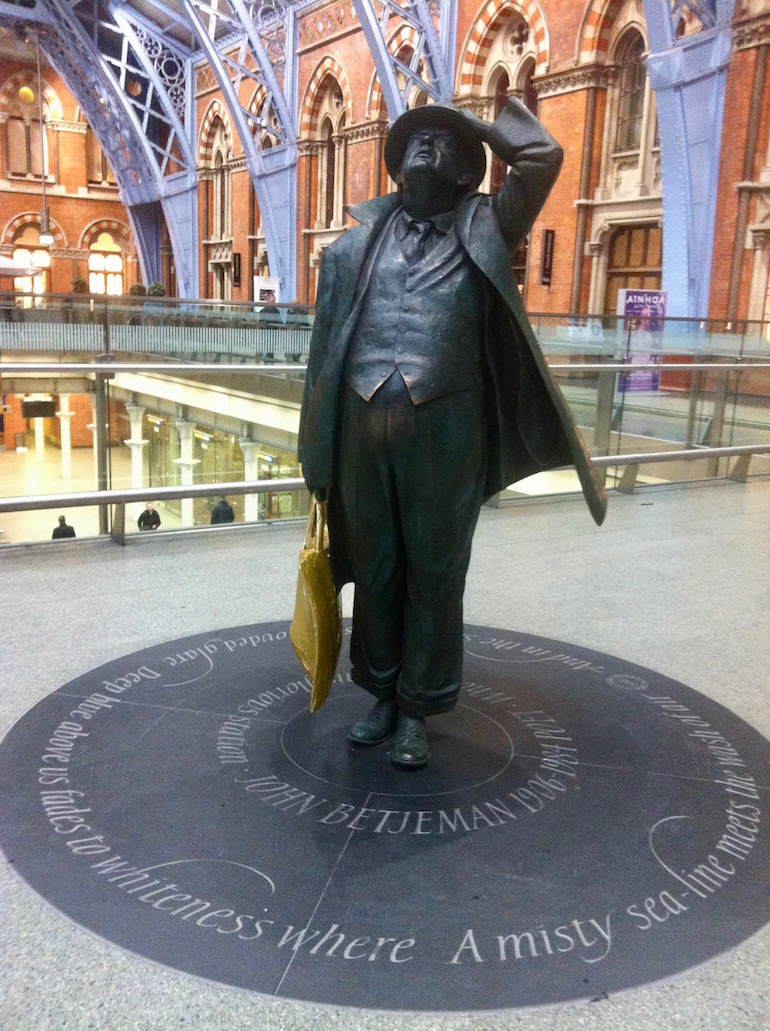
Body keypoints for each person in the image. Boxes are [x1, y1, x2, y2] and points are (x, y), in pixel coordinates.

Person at [298, 98, 607, 771]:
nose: (428, 147)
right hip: (360, 429)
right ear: (395, 165)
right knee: (377, 569)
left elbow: (541, 157)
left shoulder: (489, 227)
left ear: (469, 171)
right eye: (418, 138)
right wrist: (314, 454)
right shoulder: (350, 249)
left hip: (447, 429)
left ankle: (419, 704)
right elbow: (322, 356)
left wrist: (478, 126)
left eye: (444, 142)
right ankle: (379, 693)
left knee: (436, 572)